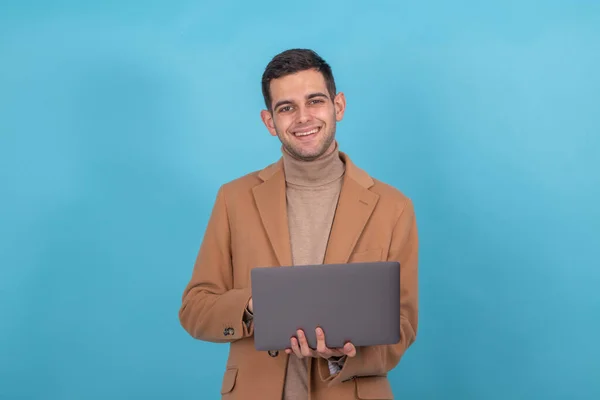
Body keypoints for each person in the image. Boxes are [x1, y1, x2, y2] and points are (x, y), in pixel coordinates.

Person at [179, 48, 419, 400]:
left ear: (338, 106)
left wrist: (340, 355)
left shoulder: (393, 206)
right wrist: (254, 305)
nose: (303, 118)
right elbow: (194, 309)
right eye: (286, 107)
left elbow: (403, 326)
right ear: (269, 121)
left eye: (315, 101)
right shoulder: (234, 198)